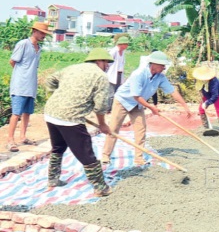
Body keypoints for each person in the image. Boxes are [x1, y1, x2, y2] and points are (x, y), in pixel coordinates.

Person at [44, 48, 113, 197]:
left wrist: (53, 96)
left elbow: (50, 79)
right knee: (86, 152)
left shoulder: (72, 68)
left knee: (58, 147)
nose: (107, 66)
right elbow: (101, 106)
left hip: (51, 112)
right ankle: (100, 187)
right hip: (70, 118)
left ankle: (53, 180)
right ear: (98, 61)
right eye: (106, 62)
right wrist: (102, 124)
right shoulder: (101, 77)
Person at [101, 51, 192, 165]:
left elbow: (172, 91)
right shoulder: (139, 74)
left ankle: (138, 158)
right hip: (123, 101)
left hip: (138, 104)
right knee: (114, 128)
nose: (164, 68)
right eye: (162, 65)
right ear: (153, 64)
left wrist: (185, 106)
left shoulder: (160, 77)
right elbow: (136, 95)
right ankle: (105, 155)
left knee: (141, 130)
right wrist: (151, 107)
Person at [6, 22, 51, 152]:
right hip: (20, 85)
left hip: (31, 85)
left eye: (45, 33)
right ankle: (10, 140)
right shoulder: (23, 44)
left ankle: (23, 136)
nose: (43, 36)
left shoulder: (38, 49)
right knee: (16, 113)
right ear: (34, 31)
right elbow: (12, 61)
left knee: (27, 112)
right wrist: (21, 75)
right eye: (42, 33)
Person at [192, 66, 219, 136]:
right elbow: (200, 88)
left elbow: (215, 96)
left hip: (218, 95)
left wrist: (207, 103)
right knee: (201, 109)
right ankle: (206, 127)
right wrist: (202, 97)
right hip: (206, 94)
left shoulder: (215, 82)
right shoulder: (198, 80)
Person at [107, 35, 130, 110]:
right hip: (112, 74)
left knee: (117, 92)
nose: (127, 46)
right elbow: (108, 63)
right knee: (111, 93)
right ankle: (108, 108)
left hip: (119, 74)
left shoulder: (122, 52)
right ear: (121, 44)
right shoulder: (113, 51)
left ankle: (114, 107)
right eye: (126, 44)